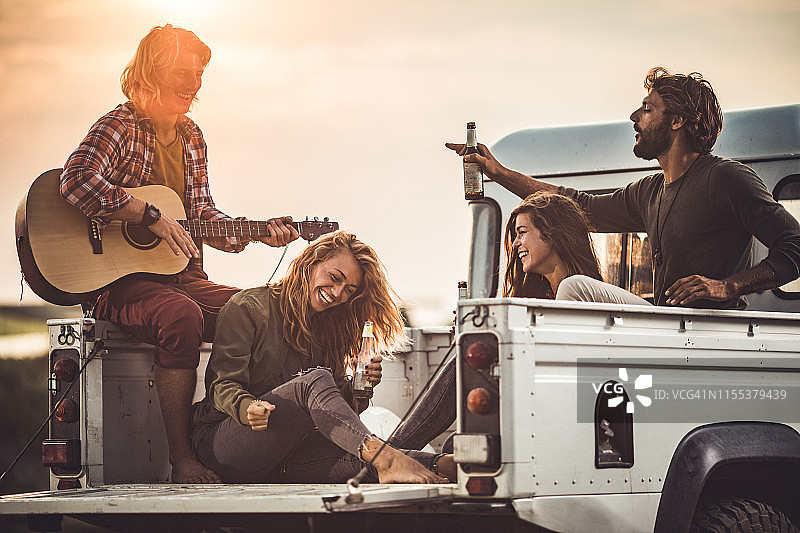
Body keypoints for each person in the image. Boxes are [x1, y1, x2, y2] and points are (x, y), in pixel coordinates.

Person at [59, 25, 299, 484]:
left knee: (260, 308)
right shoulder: (120, 125)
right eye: (183, 72)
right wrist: (147, 215)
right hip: (118, 282)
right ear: (153, 71)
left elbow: (201, 216)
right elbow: (75, 181)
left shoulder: (191, 135)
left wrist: (256, 233)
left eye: (199, 73)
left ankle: (244, 436)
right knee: (180, 316)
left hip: (182, 277)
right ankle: (183, 458)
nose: (194, 83)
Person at [447, 67, 800, 310]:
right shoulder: (649, 191)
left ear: (677, 121)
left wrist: (727, 286)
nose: (634, 116)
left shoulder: (725, 178)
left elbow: (795, 246)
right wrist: (498, 172)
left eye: (647, 109)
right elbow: (576, 207)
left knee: (574, 287)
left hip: (711, 328)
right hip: (669, 323)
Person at [191, 230, 455, 483]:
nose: (338, 293)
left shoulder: (329, 328)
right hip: (227, 446)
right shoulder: (248, 306)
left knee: (367, 458)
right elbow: (221, 386)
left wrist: (358, 388)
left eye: (349, 290)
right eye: (335, 277)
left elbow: (337, 419)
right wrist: (246, 406)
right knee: (315, 381)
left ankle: (449, 464)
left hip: (288, 456)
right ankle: (386, 459)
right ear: (311, 262)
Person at [389, 191, 640, 450]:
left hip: (576, 408)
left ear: (553, 233)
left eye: (522, 232)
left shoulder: (581, 290)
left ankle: (393, 451)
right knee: (456, 446)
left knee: (466, 362)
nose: (515, 243)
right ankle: (397, 453)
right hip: (544, 406)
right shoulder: (544, 301)